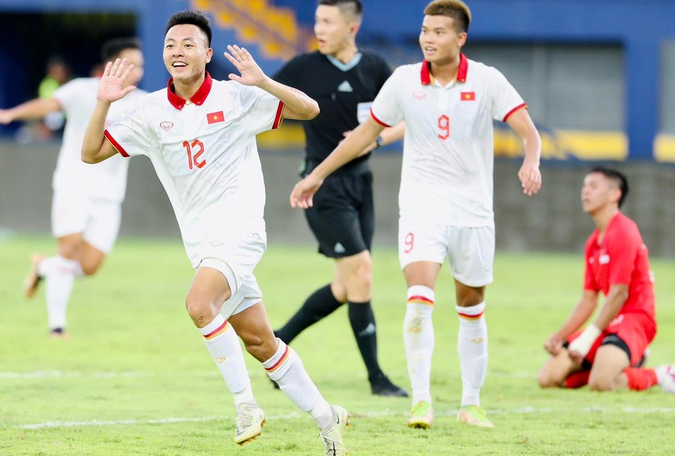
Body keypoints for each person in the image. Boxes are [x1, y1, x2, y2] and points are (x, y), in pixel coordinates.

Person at [80, 11, 349, 455]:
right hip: (202, 243)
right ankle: (328, 418)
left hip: (240, 231)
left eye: (188, 44)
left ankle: (246, 405)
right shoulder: (148, 111)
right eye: (170, 45)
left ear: (207, 53)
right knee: (261, 341)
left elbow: (310, 109)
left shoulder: (237, 96)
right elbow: (91, 153)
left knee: (199, 304)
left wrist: (263, 82)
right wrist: (104, 102)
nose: (177, 52)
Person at [290, 0, 542, 429]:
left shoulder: (486, 80)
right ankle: (420, 402)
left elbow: (527, 131)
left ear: (460, 38)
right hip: (423, 209)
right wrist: (317, 174)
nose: (428, 38)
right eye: (425, 30)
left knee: (472, 307)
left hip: (474, 213)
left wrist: (530, 160)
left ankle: (470, 403)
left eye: (439, 31)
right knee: (419, 299)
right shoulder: (405, 81)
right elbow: (364, 136)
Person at [270, 0, 407, 397]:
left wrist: (377, 138)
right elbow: (262, 101)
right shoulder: (302, 69)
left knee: (347, 286)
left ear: (352, 28)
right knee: (362, 274)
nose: (319, 28)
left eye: (328, 21)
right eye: (317, 21)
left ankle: (278, 343)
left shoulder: (376, 68)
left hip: (360, 185)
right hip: (321, 187)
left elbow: (408, 115)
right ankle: (377, 379)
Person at [0, 38, 147, 339]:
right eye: (131, 63)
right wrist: (10, 114)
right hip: (74, 184)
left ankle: (44, 267)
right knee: (68, 250)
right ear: (113, 65)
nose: (138, 71)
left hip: (109, 195)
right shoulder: (81, 88)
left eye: (141, 65)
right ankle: (57, 326)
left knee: (90, 266)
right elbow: (49, 104)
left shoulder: (142, 101)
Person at [537, 167, 675, 394]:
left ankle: (659, 374)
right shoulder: (593, 243)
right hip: (610, 319)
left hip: (636, 319)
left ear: (614, 194)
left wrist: (587, 339)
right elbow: (588, 300)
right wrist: (559, 337)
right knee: (548, 378)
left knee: (601, 384)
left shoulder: (624, 231)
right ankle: (624, 362)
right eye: (584, 186)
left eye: (593, 186)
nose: (585, 192)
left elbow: (620, 294)